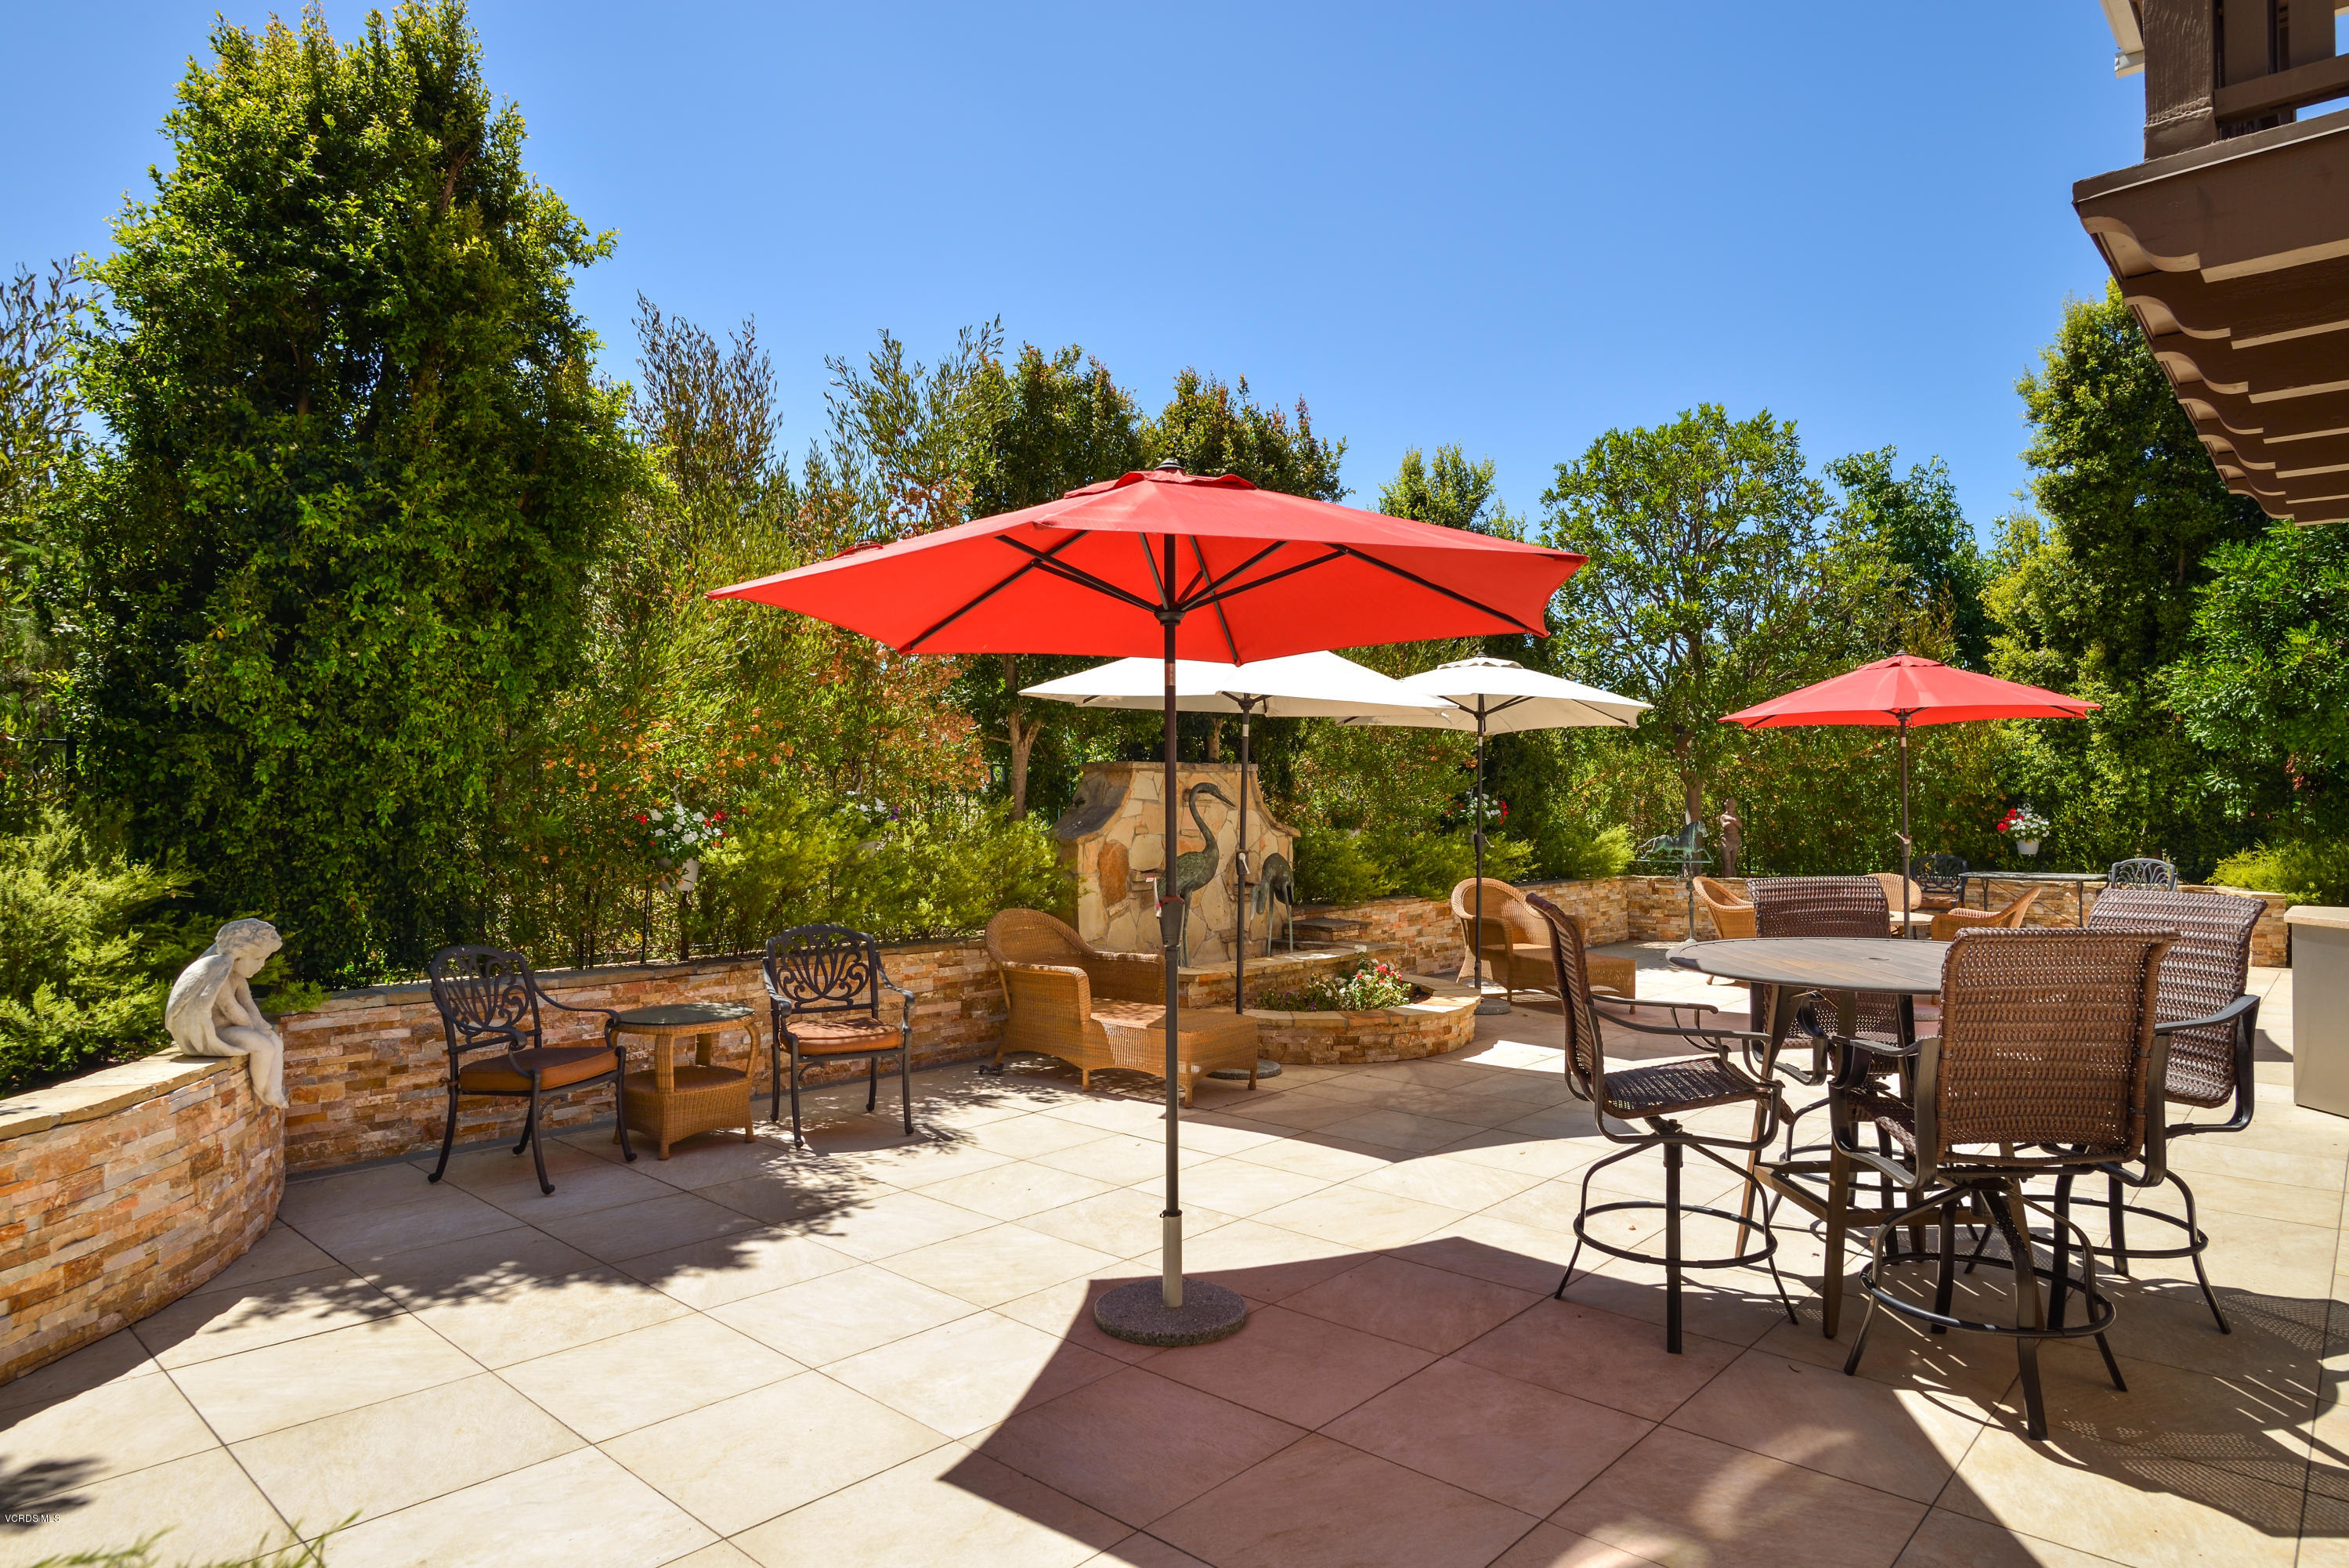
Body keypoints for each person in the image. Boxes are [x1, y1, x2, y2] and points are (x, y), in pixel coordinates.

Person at [165, 919, 289, 1110]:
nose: (262, 965)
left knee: (276, 1042)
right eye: (258, 959)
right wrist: (253, 1028)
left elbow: (248, 1004)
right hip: (220, 1031)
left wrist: (261, 1024)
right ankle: (262, 1089)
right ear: (238, 956)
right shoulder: (219, 973)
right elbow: (232, 1009)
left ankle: (274, 1089)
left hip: (236, 1027)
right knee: (263, 1046)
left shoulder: (237, 976)